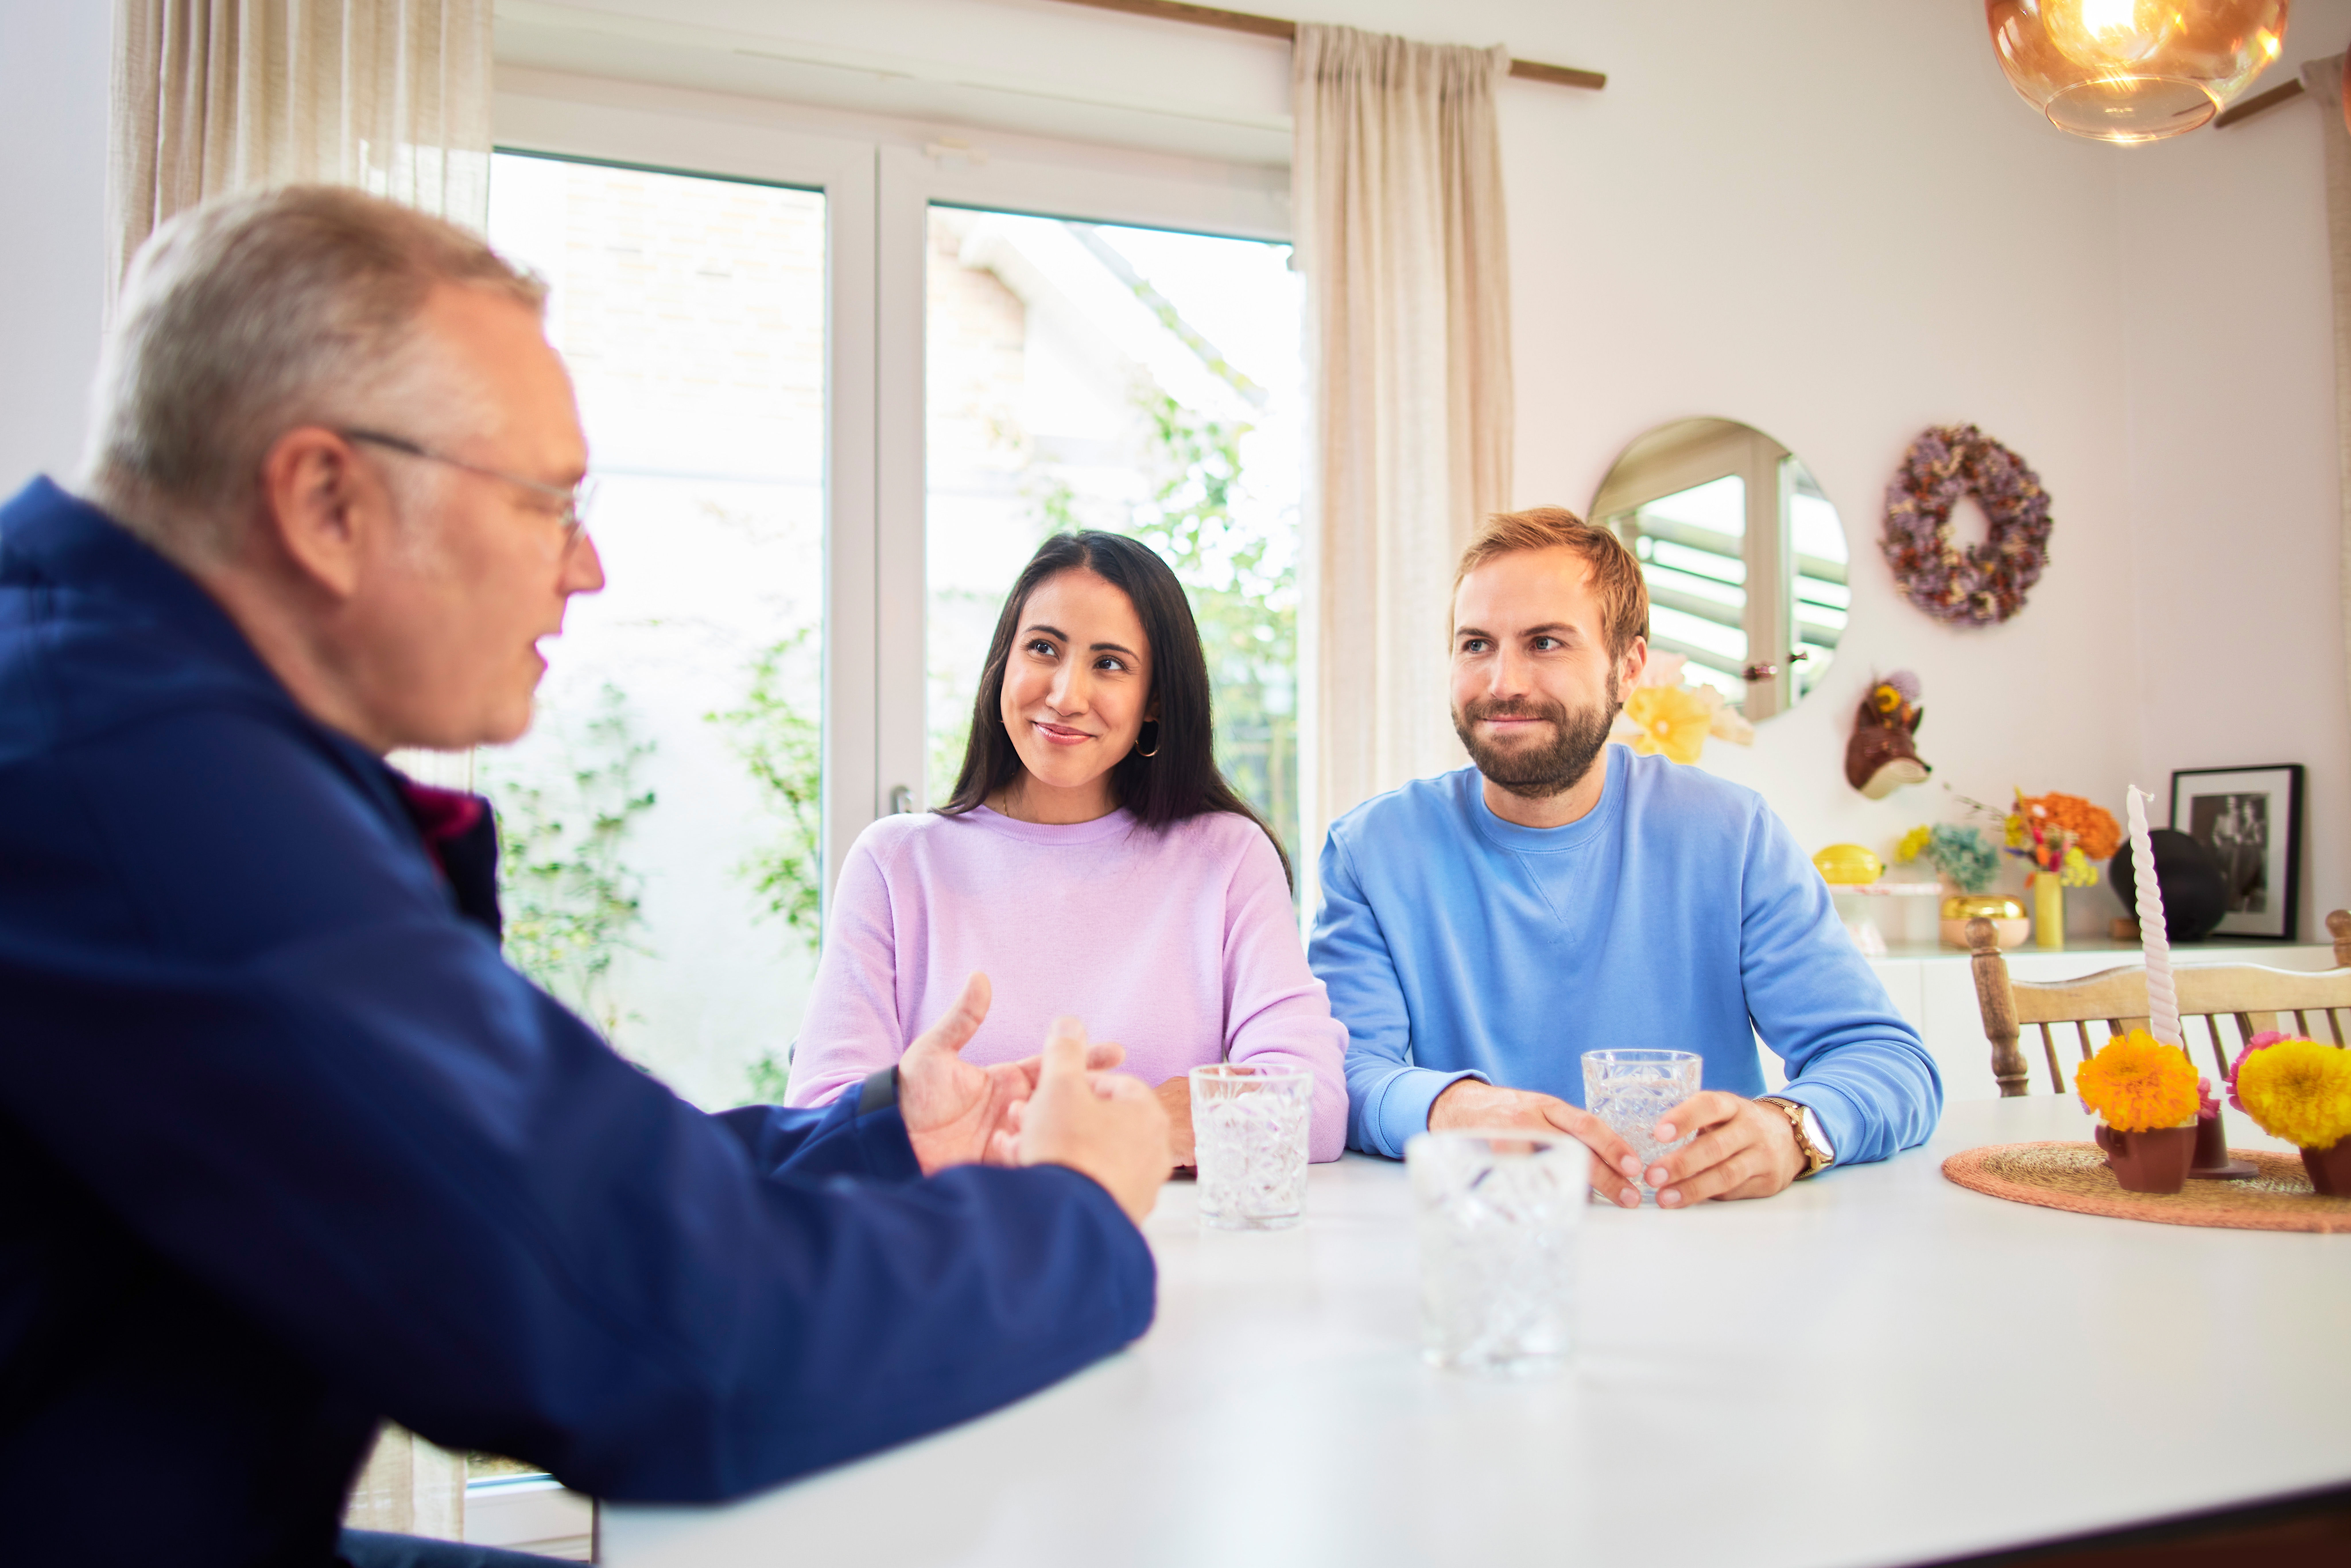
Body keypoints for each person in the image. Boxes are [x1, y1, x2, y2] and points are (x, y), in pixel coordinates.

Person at [0, 184, 1171, 1567]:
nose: (590, 565)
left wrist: (878, 1133)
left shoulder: (114, 706)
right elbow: (657, 1331)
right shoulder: (153, 789)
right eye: (547, 501)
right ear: (326, 500)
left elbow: (537, 1177)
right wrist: (1072, 1219)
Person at [1310, 507, 1941, 1207]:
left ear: (1627, 667)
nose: (1501, 682)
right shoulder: (1371, 851)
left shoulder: (1731, 835)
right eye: (1476, 644)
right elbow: (1343, 1074)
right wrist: (1456, 1108)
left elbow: (1888, 1061)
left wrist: (1791, 1128)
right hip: (1476, 1245)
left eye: (1545, 642)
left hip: (1699, 1238)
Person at [787, 530, 1349, 1167]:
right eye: (1043, 648)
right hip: (952, 1244)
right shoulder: (894, 863)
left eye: (1109, 663)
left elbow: (1313, 1104)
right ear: (1005, 661)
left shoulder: (1227, 857)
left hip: (1167, 1250)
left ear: (1155, 702)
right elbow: (818, 1119)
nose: (1065, 695)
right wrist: (1107, 1126)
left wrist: (1035, 1130)